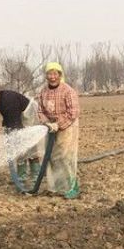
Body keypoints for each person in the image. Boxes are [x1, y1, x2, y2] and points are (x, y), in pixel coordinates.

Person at [38, 62, 80, 199]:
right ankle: (55, 187)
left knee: (65, 157)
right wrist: (47, 123)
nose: (52, 77)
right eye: (49, 74)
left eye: (55, 74)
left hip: (67, 127)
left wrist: (59, 124)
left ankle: (72, 187)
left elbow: (73, 112)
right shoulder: (43, 92)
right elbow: (40, 110)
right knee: (50, 157)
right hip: (50, 127)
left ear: (60, 75)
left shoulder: (68, 91)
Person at [0, 85, 41, 183]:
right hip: (19, 117)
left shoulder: (8, 100)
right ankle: (22, 174)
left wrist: (13, 137)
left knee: (29, 145)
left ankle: (36, 173)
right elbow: (7, 117)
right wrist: (6, 128)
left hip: (29, 116)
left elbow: (15, 123)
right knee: (20, 147)